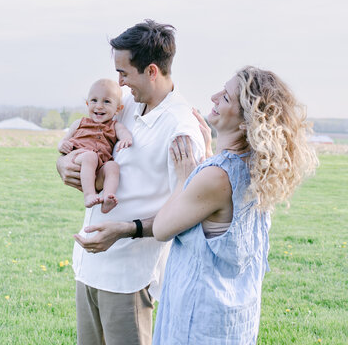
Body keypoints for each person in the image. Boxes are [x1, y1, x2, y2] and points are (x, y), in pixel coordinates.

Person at [56, 20, 206, 345]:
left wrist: (126, 230)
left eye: (124, 73)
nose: (119, 81)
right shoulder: (122, 102)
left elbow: (185, 213)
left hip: (129, 278)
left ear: (151, 71)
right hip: (89, 265)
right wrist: (62, 164)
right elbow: (85, 142)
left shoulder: (180, 128)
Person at [152, 66, 318, 345]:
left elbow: (160, 229)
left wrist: (184, 177)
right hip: (232, 320)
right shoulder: (255, 167)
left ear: (245, 123)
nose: (214, 97)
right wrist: (206, 159)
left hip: (198, 321)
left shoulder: (216, 177)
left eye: (226, 97)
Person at [58, 79, 132, 213]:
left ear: (118, 109)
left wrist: (126, 139)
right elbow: (63, 141)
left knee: (112, 166)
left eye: (107, 101)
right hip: (81, 159)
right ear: (87, 103)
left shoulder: (115, 126)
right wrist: (63, 146)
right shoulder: (79, 123)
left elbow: (124, 133)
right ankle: (89, 195)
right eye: (94, 100)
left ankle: (107, 197)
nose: (99, 106)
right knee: (90, 156)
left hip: (100, 166)